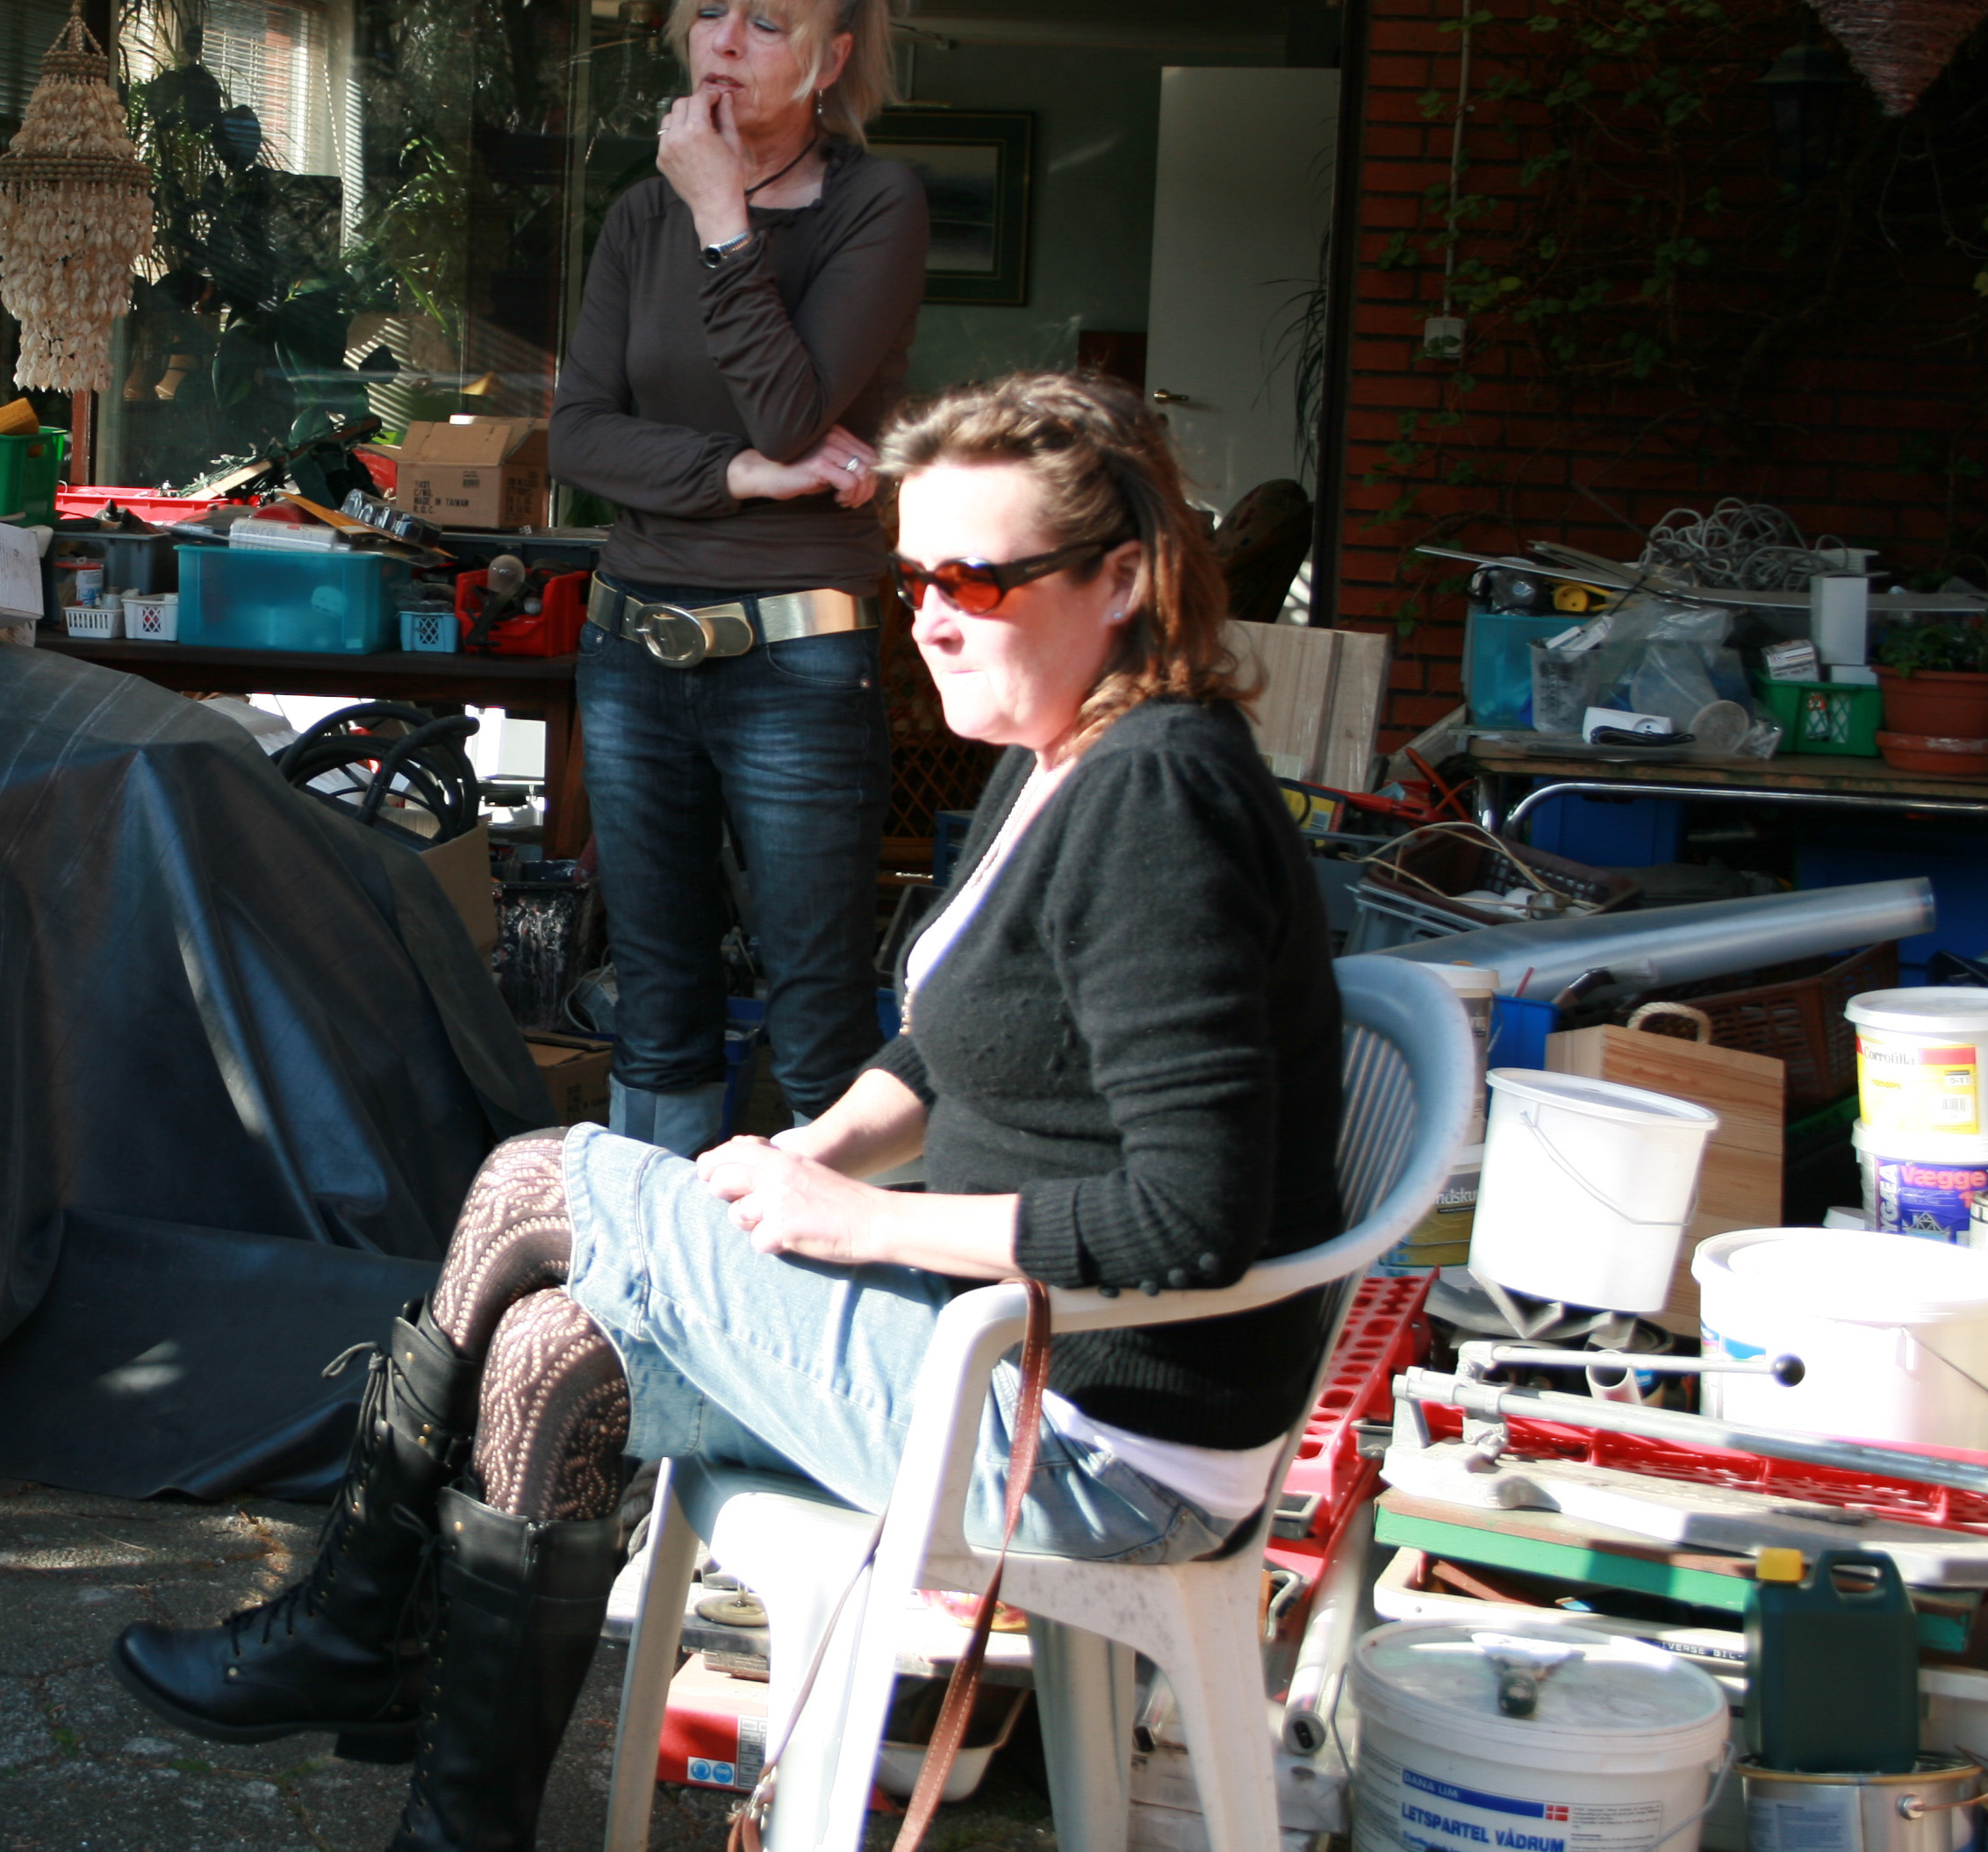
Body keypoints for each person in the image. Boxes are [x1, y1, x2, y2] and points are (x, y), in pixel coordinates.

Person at [110, 371, 1342, 1852]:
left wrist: (860, 1221)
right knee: (554, 1349)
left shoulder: (1161, 804)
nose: (930, 620)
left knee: (536, 1175)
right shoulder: (1060, 757)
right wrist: (814, 1149)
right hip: (1000, 1360)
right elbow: (949, 1054)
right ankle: (450, 1810)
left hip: (1095, 1444)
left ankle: (351, 1619)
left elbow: (1190, 1224)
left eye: (975, 580)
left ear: (1125, 579)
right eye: (911, 581)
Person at [549, 0, 934, 1161]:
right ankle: (645, 1269)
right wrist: (742, 478)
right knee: (654, 1005)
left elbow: (789, 407)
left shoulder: (877, 206)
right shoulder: (634, 217)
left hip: (797, 659)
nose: (725, 43)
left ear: (829, 60)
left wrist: (722, 212)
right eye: (712, 11)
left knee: (815, 1012)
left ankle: (829, 1266)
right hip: (630, 648)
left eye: (768, 23)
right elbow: (580, 435)